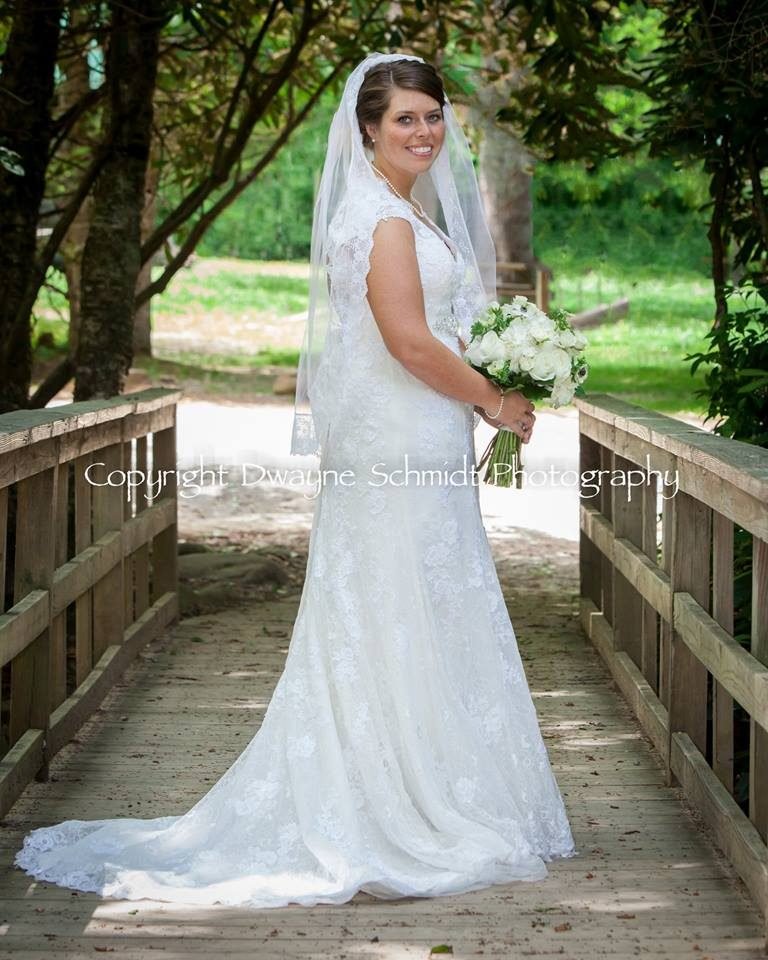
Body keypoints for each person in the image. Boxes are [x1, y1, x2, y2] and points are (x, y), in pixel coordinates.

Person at [13, 51, 577, 908]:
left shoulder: (393, 210)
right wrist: (498, 398)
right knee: (395, 597)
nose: (424, 132)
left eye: (433, 116)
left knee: (413, 597)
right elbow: (409, 342)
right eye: (406, 119)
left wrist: (496, 371)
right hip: (397, 441)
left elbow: (429, 336)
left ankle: (425, 777)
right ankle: (389, 801)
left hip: (410, 432)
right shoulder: (384, 222)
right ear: (367, 130)